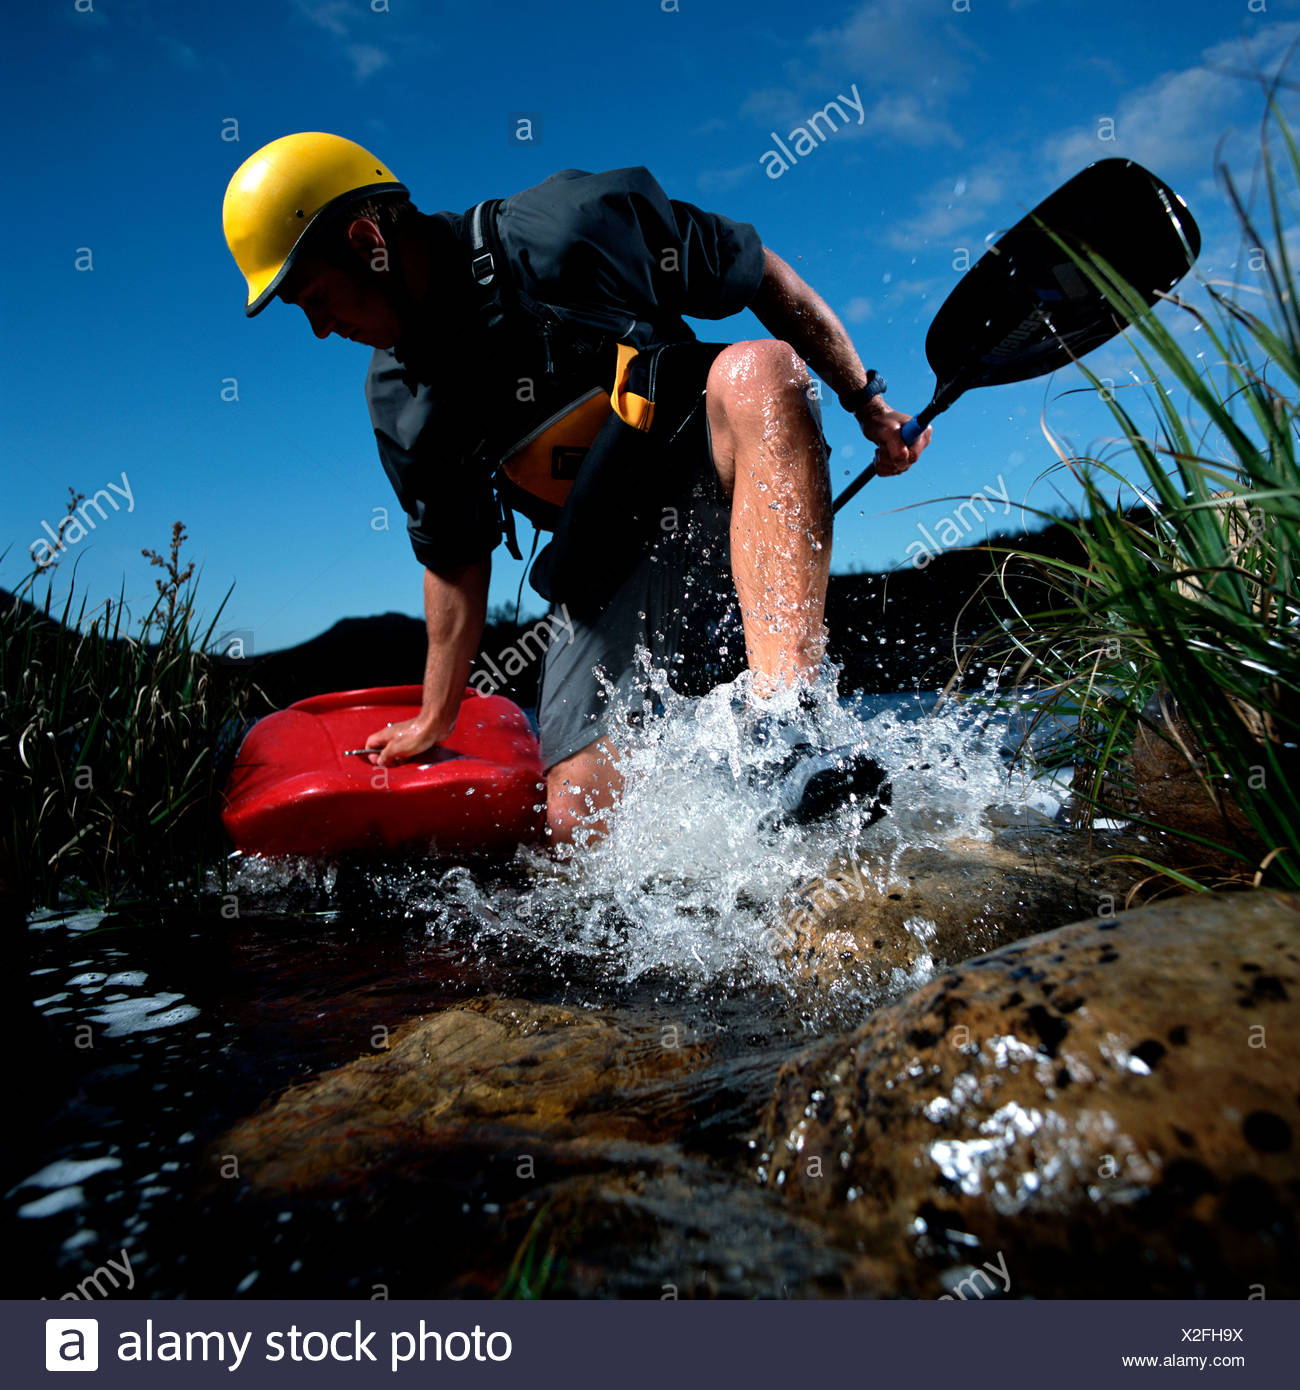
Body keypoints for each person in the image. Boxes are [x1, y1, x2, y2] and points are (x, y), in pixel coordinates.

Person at [222, 133, 930, 846]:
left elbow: (762, 275)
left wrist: (865, 400)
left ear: (367, 239)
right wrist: (436, 715)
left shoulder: (576, 225)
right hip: (605, 562)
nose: (317, 329)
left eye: (314, 296)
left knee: (758, 369)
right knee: (578, 822)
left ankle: (788, 729)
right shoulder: (398, 395)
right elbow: (456, 559)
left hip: (723, 474)